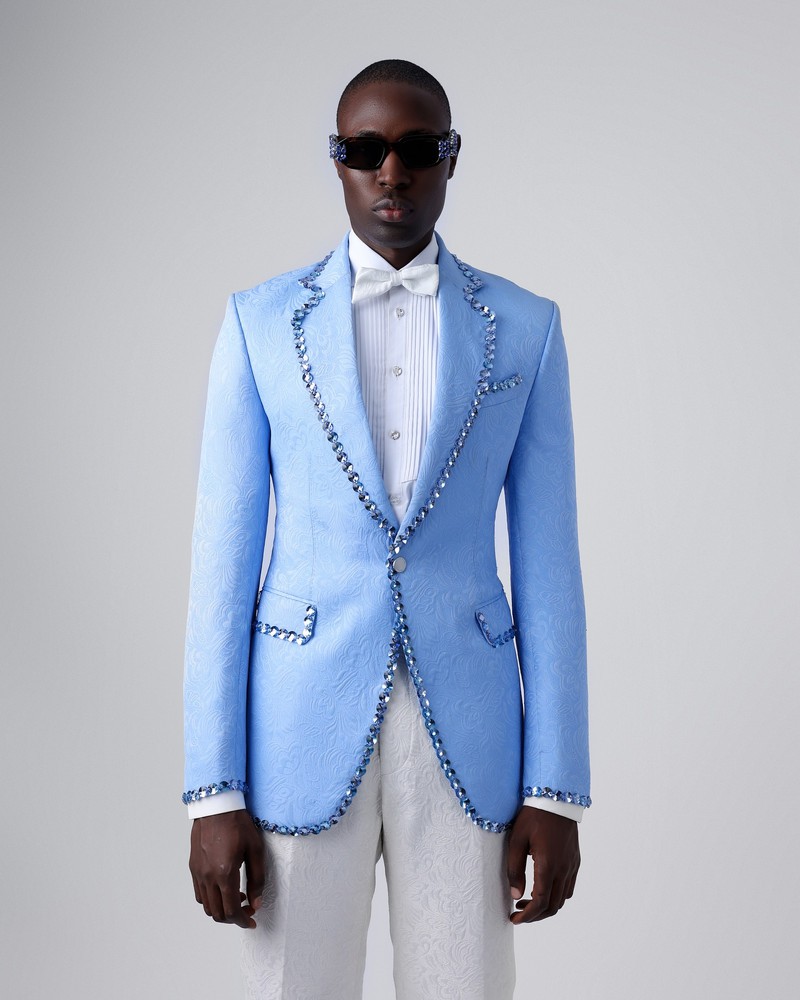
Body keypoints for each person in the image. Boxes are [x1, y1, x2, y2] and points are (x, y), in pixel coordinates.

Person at [184, 59, 590, 999]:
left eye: (416, 149)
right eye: (366, 150)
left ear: (452, 157)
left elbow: (551, 570)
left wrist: (555, 787)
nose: (392, 172)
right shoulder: (259, 325)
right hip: (296, 722)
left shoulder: (526, 329)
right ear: (338, 161)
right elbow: (219, 570)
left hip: (470, 727)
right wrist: (214, 788)